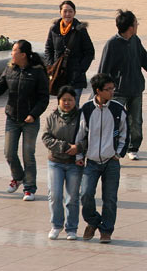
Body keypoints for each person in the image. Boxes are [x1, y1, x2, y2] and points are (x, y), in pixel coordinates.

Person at [98, 9, 147, 161]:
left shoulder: (135, 40)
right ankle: (112, 149)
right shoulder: (112, 44)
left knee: (136, 121)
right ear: (130, 27)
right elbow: (103, 70)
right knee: (114, 122)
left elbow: (146, 61)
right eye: (136, 23)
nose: (137, 25)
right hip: (118, 92)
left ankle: (133, 147)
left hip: (136, 89)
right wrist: (99, 92)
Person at [0, 40, 49, 201]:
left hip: (30, 120)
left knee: (28, 154)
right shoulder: (10, 68)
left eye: (14, 51)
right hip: (12, 118)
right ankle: (18, 177)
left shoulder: (37, 72)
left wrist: (33, 114)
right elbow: (0, 90)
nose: (11, 54)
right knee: (9, 153)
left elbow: (43, 99)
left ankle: (29, 188)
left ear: (23, 55)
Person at [77, 73, 128, 244]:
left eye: (113, 89)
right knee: (86, 194)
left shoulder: (118, 109)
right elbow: (80, 134)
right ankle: (93, 221)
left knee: (110, 198)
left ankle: (106, 230)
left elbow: (125, 134)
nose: (112, 92)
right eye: (108, 89)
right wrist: (79, 155)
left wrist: (118, 154)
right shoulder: (86, 109)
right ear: (98, 91)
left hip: (111, 162)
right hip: (91, 162)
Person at [42, 86, 83, 240]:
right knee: (55, 194)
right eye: (64, 100)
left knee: (72, 197)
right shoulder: (51, 117)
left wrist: (78, 148)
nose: (67, 103)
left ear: (75, 100)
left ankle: (71, 228)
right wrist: (65, 147)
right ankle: (56, 225)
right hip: (55, 162)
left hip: (74, 163)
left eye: (70, 100)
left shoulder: (82, 117)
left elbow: (87, 137)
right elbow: (46, 138)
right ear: (59, 101)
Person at [44, 0, 95, 106]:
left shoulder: (80, 29)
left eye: (70, 11)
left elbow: (89, 51)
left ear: (74, 13)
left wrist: (81, 69)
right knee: (62, 105)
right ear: (60, 12)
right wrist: (51, 65)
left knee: (73, 105)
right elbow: (48, 48)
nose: (67, 14)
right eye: (65, 11)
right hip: (59, 74)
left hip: (75, 76)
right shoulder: (54, 29)